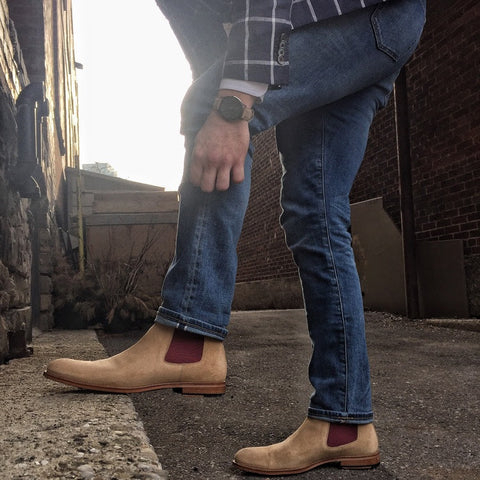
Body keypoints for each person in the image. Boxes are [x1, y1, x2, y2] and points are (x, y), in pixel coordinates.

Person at [45, 0, 426, 475]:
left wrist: (230, 105)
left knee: (215, 103)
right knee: (317, 212)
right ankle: (343, 423)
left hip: (359, 15)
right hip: (377, 27)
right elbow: (209, 48)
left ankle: (188, 334)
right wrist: (226, 82)